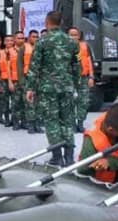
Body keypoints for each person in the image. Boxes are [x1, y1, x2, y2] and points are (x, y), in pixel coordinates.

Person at [25, 12, 80, 166]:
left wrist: (30, 88)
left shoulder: (42, 41)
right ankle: (69, 157)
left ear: (46, 22)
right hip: (67, 87)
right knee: (67, 120)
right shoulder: (71, 42)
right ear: (61, 22)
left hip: (48, 88)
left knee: (52, 121)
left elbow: (34, 67)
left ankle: (57, 156)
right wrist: (74, 84)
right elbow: (76, 66)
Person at [76, 103, 118, 183]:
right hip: (102, 186)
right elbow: (83, 170)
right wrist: (97, 165)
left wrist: (110, 162)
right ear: (111, 130)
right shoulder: (92, 140)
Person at [69, 27, 95, 132]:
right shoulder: (64, 47)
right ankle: (72, 124)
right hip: (70, 78)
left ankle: (80, 122)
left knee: (83, 101)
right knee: (70, 101)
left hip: (83, 77)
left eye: (75, 35)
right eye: (71, 35)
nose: (74, 37)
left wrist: (91, 77)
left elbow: (89, 61)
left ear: (79, 36)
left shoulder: (85, 46)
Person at [17, 30, 41, 133]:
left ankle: (37, 124)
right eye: (33, 37)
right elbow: (19, 65)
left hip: (39, 78)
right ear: (29, 37)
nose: (35, 39)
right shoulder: (23, 48)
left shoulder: (40, 48)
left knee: (38, 102)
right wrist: (21, 80)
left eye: (37, 37)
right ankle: (30, 124)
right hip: (27, 78)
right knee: (29, 102)